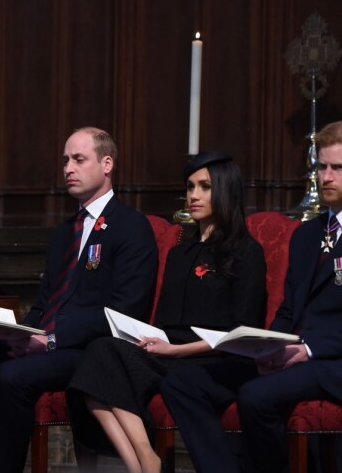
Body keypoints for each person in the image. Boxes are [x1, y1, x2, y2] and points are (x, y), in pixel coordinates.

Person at [159, 121, 342, 473]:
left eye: (338, 168)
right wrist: (267, 347)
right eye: (321, 167)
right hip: (297, 356)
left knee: (256, 396)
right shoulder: (307, 234)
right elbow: (290, 309)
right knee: (184, 381)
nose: (326, 176)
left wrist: (308, 350)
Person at [67, 150, 267, 473]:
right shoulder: (180, 253)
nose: (194, 196)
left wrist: (176, 350)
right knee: (100, 353)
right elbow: (164, 325)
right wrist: (144, 339)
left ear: (226, 190)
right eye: (190, 187)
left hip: (219, 358)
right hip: (168, 354)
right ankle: (143, 460)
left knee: (169, 379)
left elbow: (240, 333)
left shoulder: (246, 252)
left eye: (204, 187)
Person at [0, 126, 158, 473]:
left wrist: (51, 340)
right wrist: (21, 333)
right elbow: (44, 303)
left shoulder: (132, 226)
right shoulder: (63, 233)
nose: (68, 168)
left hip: (90, 352)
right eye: (65, 160)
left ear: (106, 164)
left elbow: (124, 311)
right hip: (48, 342)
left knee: (11, 378)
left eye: (78, 159)